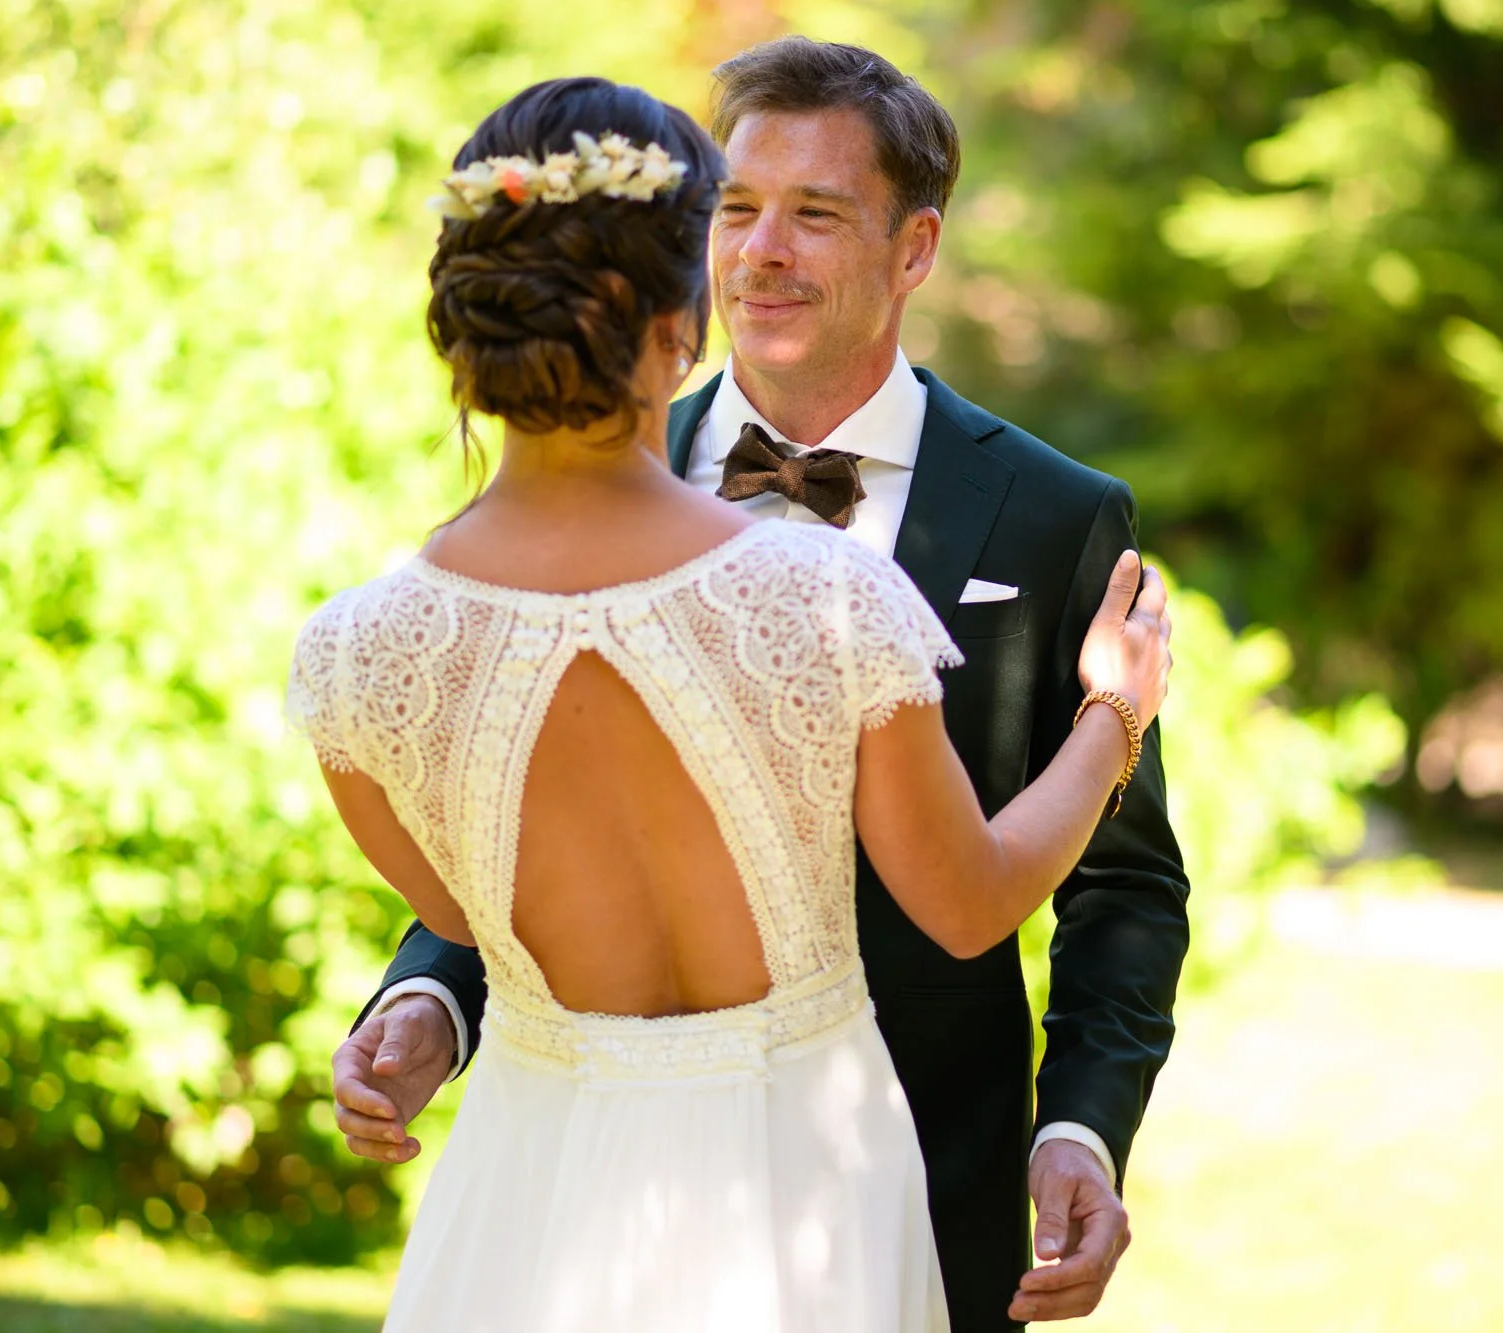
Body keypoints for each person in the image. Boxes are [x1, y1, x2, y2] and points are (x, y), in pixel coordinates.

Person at [326, 42, 1189, 1331]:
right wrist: (430, 997)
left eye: (817, 215)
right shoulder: (589, 469)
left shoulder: (1057, 513)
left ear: (916, 249)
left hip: (925, 1192)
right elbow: (518, 816)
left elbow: (1123, 884)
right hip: (576, 1195)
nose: (761, 252)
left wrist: (1079, 1130)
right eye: (734, 209)